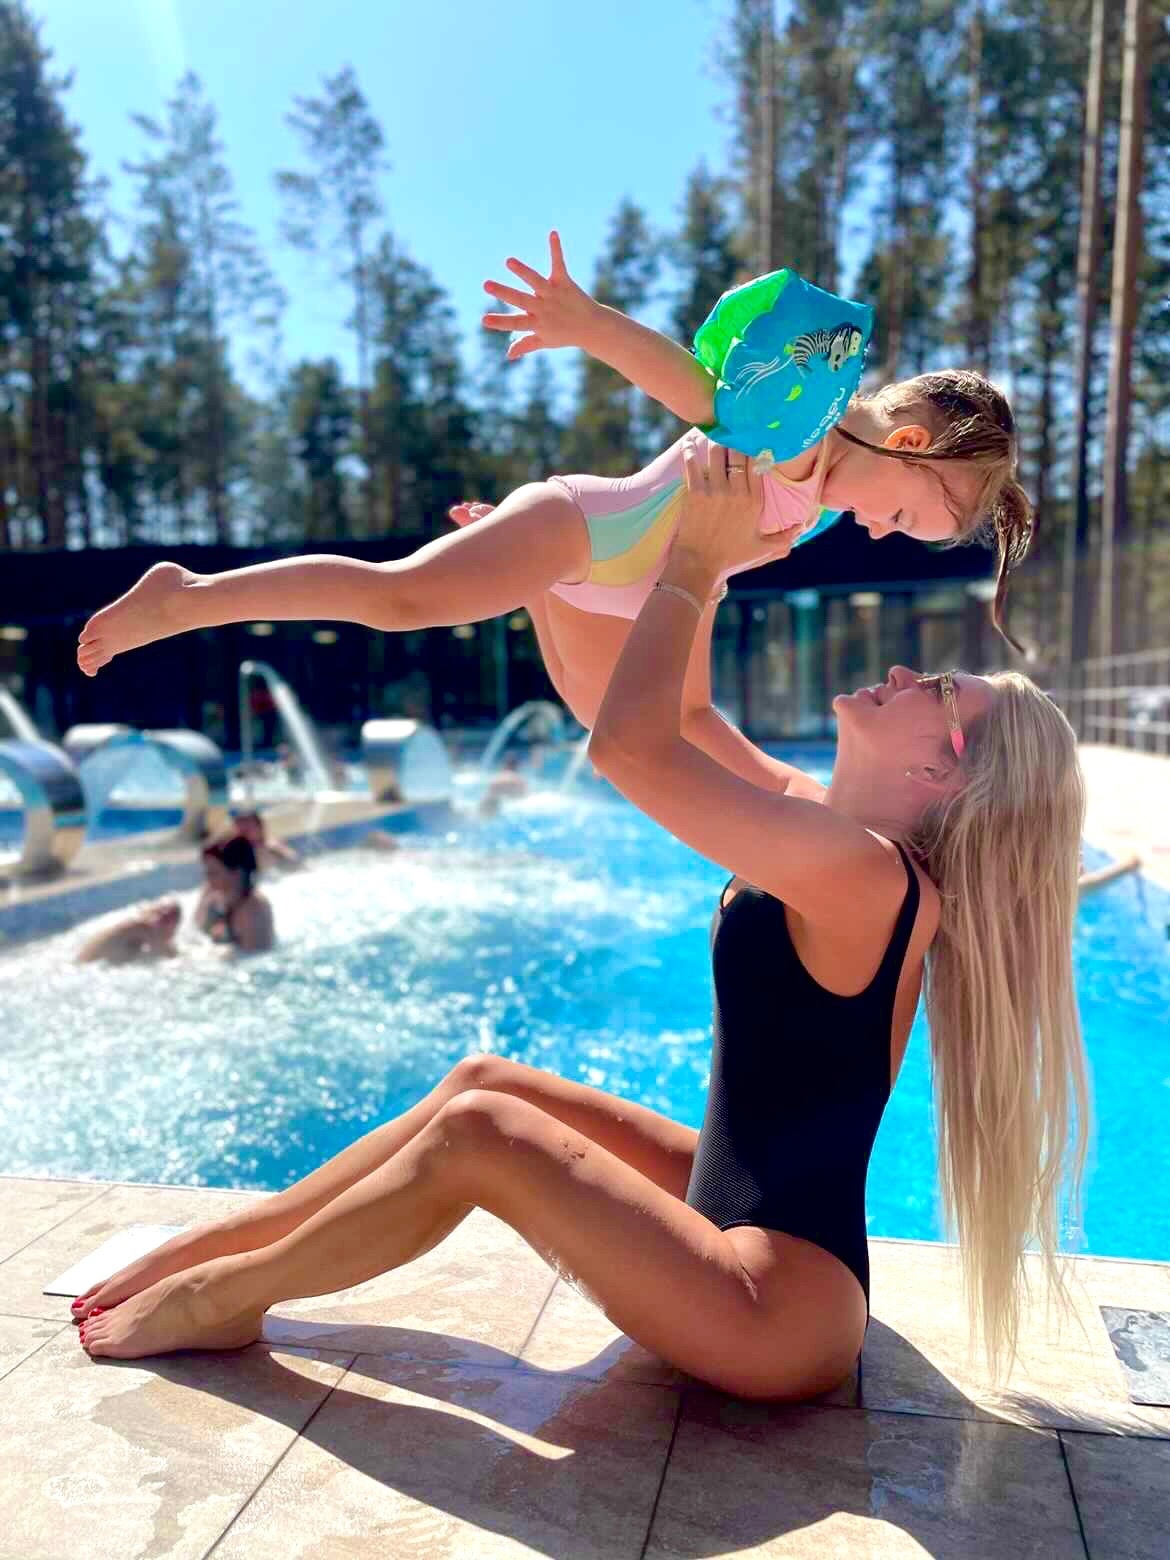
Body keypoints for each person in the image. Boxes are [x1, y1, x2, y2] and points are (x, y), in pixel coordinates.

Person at [71, 445, 1088, 1406]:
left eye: (938, 691)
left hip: (774, 1308)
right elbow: (671, 720)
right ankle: (212, 1246)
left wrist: (693, 566)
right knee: (485, 1081)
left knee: (483, 1134)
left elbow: (630, 751)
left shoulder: (868, 878)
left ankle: (222, 1298)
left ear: (941, 769)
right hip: (728, 1208)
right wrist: (558, 582)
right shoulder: (815, 821)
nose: (907, 674)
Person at [75, 235, 1032, 709]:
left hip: (609, 582)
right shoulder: (793, 431)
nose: (878, 532)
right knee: (401, 597)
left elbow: (708, 568)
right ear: (909, 446)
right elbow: (692, 388)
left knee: (599, 720)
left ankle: (527, 577)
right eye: (904, 518)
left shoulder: (821, 499)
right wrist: (589, 323)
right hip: (583, 529)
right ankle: (187, 595)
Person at [194, 833, 275, 953]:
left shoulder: (252, 912)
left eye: (213, 872)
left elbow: (254, 958)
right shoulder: (215, 891)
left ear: (237, 872)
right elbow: (195, 928)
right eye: (207, 872)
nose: (207, 878)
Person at [76, 898, 181, 965]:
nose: (159, 920)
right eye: (166, 918)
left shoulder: (135, 927)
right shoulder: (140, 927)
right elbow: (172, 957)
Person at [232, 810, 301, 872]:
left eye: (247, 829)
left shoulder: (272, 846)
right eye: (241, 831)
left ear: (260, 827)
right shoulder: (238, 850)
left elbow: (295, 862)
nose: (244, 834)